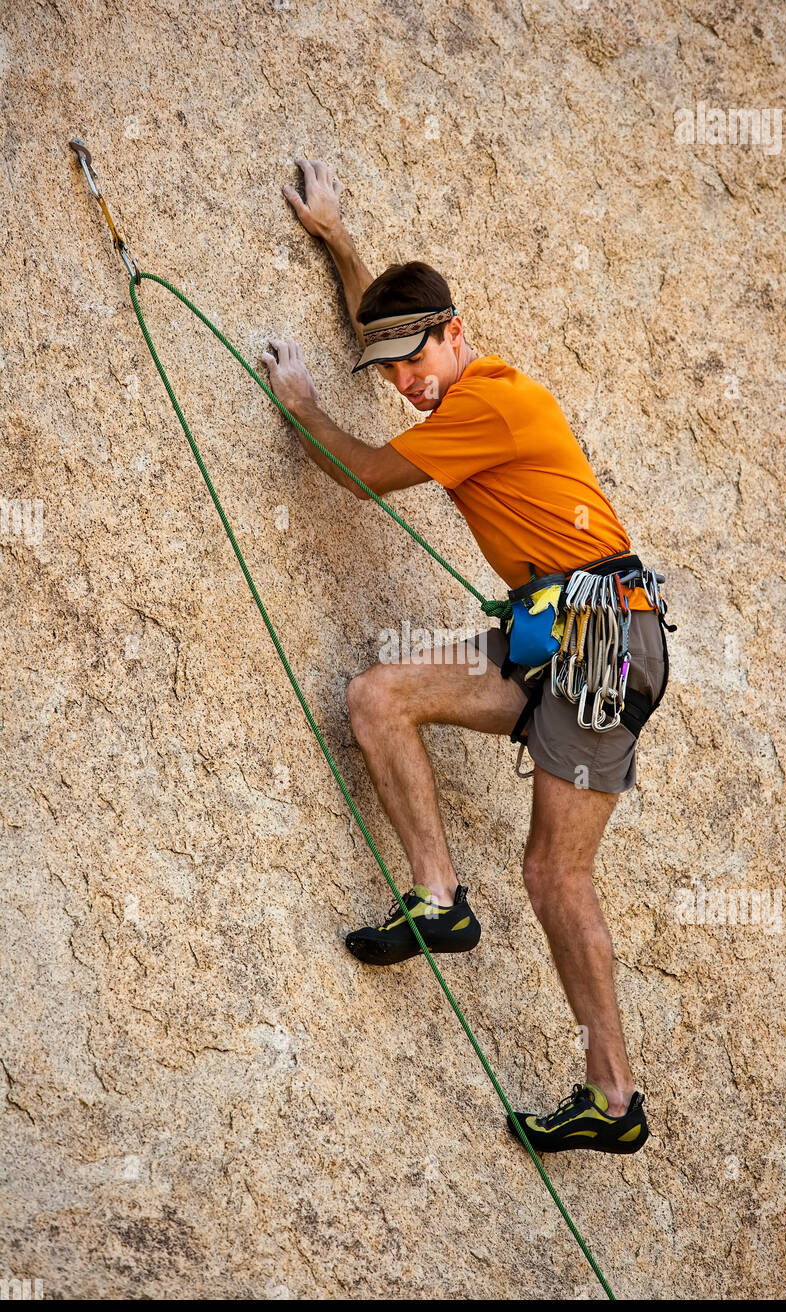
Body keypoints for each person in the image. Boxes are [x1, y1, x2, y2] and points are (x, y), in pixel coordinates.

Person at [261, 156, 671, 1157]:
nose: (404, 381)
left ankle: (611, 1099)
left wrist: (304, 403)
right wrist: (336, 236)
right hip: (553, 628)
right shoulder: (447, 382)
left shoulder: (486, 402)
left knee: (552, 876)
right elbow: (390, 325)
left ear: (457, 333)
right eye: (389, 367)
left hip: (596, 634)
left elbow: (360, 480)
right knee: (378, 695)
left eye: (416, 358)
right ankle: (439, 900)